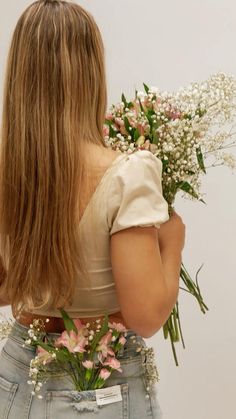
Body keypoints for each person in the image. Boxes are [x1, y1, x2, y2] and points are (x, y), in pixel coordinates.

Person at [0, 0, 185, 418]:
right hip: (101, 381)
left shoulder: (7, 169)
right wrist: (172, 243)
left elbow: (7, 289)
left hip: (17, 374)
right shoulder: (126, 173)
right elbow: (145, 316)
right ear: (90, 72)